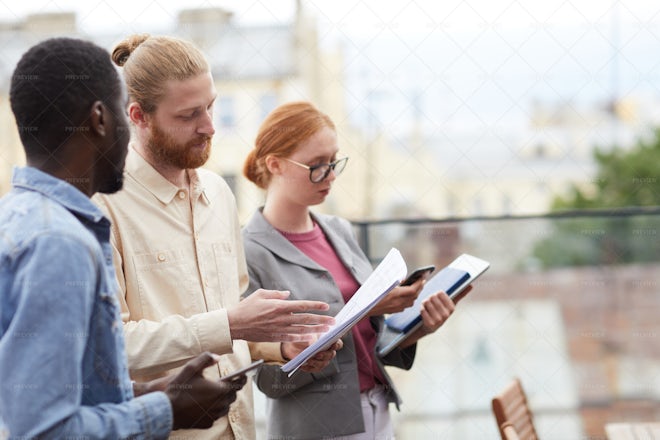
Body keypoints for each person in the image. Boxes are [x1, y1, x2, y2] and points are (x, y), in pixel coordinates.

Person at [0, 37, 246, 439]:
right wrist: (164, 410)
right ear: (101, 119)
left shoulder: (21, 218)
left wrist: (146, 392)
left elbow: (68, 391)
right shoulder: (58, 242)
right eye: (122, 114)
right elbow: (43, 430)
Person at [92, 35, 336, 439]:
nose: (209, 126)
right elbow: (110, 348)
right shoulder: (103, 206)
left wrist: (283, 350)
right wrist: (229, 323)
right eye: (189, 115)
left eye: (211, 106)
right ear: (138, 116)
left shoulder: (219, 194)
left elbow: (236, 325)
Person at [243, 101, 467, 439]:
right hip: (315, 427)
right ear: (275, 164)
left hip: (377, 410)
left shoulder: (339, 231)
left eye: (334, 162)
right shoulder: (248, 251)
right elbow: (266, 377)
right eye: (317, 166)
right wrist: (367, 307)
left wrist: (417, 328)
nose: (331, 176)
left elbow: (367, 344)